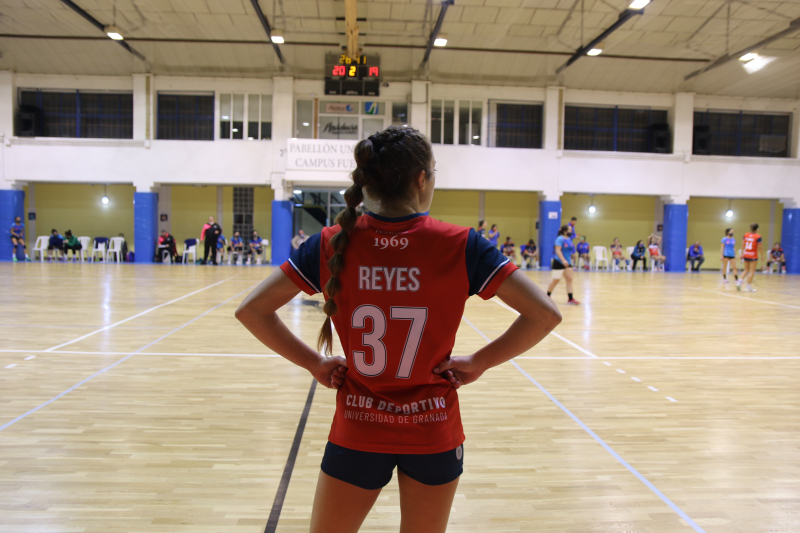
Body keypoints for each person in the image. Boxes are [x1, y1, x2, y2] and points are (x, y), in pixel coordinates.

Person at [235, 125, 562, 533]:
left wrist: (315, 364)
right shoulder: (462, 244)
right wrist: (479, 361)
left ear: (367, 181)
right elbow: (546, 315)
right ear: (421, 179)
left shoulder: (330, 243)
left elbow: (251, 310)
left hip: (357, 426)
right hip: (433, 429)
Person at [546, 225, 580, 305]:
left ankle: (570, 298)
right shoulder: (559, 238)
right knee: (556, 280)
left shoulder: (569, 239)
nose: (571, 232)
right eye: (570, 230)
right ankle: (547, 296)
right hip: (559, 262)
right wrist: (563, 260)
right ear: (565, 231)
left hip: (568, 262)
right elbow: (558, 250)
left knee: (569, 279)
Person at [740, 223, 763, 292]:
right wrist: (762, 255)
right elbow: (760, 247)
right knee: (752, 271)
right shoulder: (758, 236)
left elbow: (742, 245)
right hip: (753, 255)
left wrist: (742, 254)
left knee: (746, 269)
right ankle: (748, 287)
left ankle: (739, 281)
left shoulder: (746, 235)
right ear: (757, 229)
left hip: (746, 254)